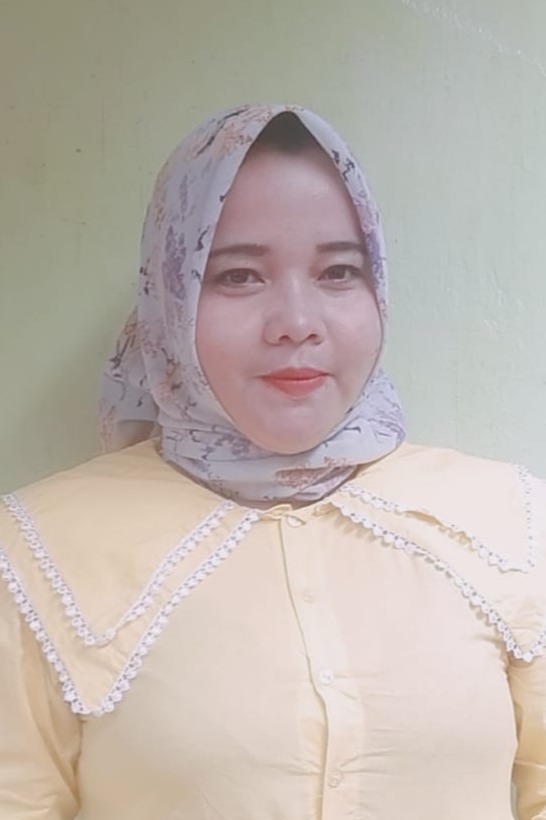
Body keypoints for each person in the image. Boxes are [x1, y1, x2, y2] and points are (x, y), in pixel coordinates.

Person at [0, 104, 545, 820]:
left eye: (339, 271)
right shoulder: (36, 551)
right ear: (170, 293)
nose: (296, 322)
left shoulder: (510, 523)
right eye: (238, 276)